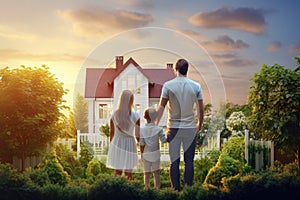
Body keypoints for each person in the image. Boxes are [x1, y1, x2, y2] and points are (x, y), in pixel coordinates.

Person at [155, 58, 204, 191]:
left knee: (174, 162)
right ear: (187, 70)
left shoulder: (168, 85)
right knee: (189, 161)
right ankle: (188, 191)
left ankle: (175, 190)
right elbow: (200, 109)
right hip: (190, 129)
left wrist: (155, 124)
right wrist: (199, 123)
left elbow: (161, 107)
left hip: (174, 128)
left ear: (175, 69)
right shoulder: (196, 86)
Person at [106, 89, 140, 180]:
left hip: (117, 143)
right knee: (129, 173)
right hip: (130, 144)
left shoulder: (114, 115)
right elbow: (138, 135)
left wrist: (112, 148)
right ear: (131, 101)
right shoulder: (136, 116)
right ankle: (129, 191)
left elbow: (112, 134)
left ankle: (116, 190)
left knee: (117, 171)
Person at [140, 107, 167, 189]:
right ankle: (157, 189)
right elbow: (164, 141)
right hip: (155, 154)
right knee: (157, 173)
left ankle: (147, 189)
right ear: (155, 117)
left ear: (145, 117)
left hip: (146, 154)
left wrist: (142, 154)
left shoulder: (142, 130)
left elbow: (141, 144)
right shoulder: (159, 129)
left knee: (146, 173)